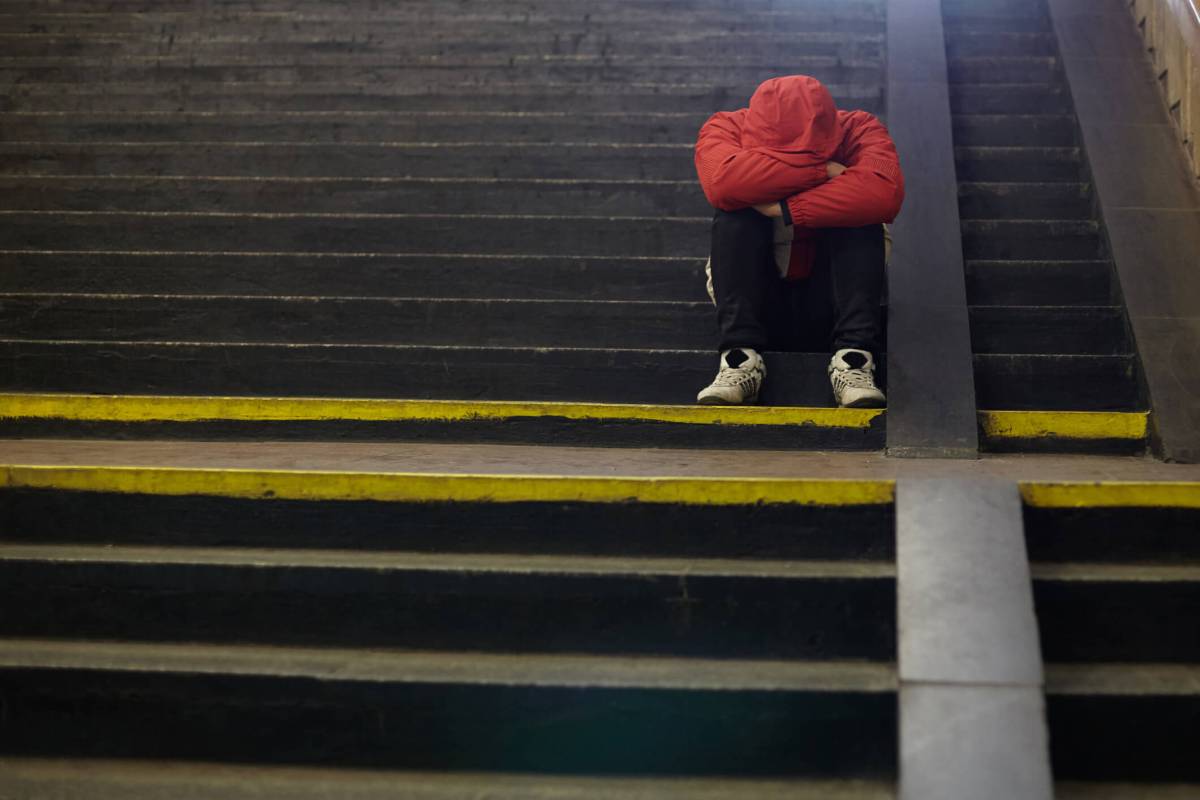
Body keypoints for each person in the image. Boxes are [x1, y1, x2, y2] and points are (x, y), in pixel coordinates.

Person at [693, 74, 905, 407]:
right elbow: (722, 184)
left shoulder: (859, 128)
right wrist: (823, 170)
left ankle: (854, 361)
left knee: (860, 212)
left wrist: (785, 207)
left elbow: (884, 194)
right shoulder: (726, 127)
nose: (796, 152)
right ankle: (739, 360)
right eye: (784, 149)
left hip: (834, 306)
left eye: (807, 147)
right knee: (734, 213)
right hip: (759, 305)